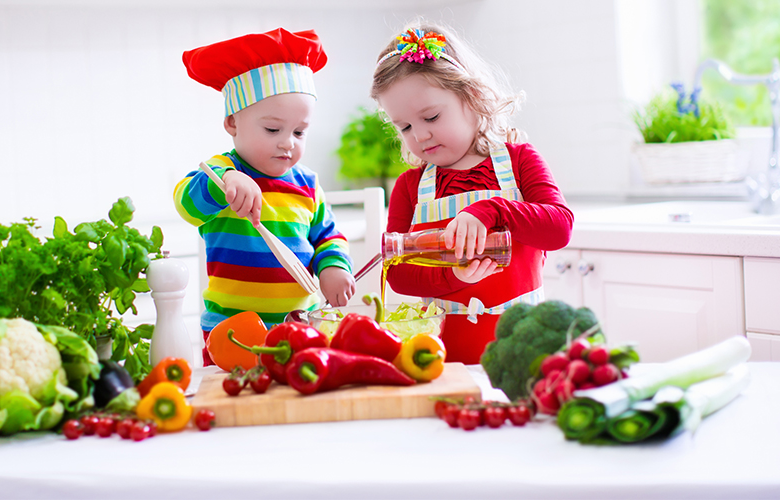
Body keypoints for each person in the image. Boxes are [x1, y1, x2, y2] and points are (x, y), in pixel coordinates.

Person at [371, 23, 573, 364]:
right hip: (446, 359)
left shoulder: (519, 159)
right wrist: (453, 275)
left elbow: (560, 228)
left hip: (526, 354)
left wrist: (494, 209)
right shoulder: (410, 187)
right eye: (404, 126)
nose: (419, 135)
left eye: (431, 116)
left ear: (472, 97)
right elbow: (398, 273)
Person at [178, 28, 355, 365]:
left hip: (302, 325)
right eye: (273, 129)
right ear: (232, 122)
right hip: (231, 330)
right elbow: (186, 202)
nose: (288, 142)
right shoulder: (221, 171)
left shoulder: (308, 184)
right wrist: (227, 181)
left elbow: (329, 236)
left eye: (299, 131)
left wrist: (333, 266)